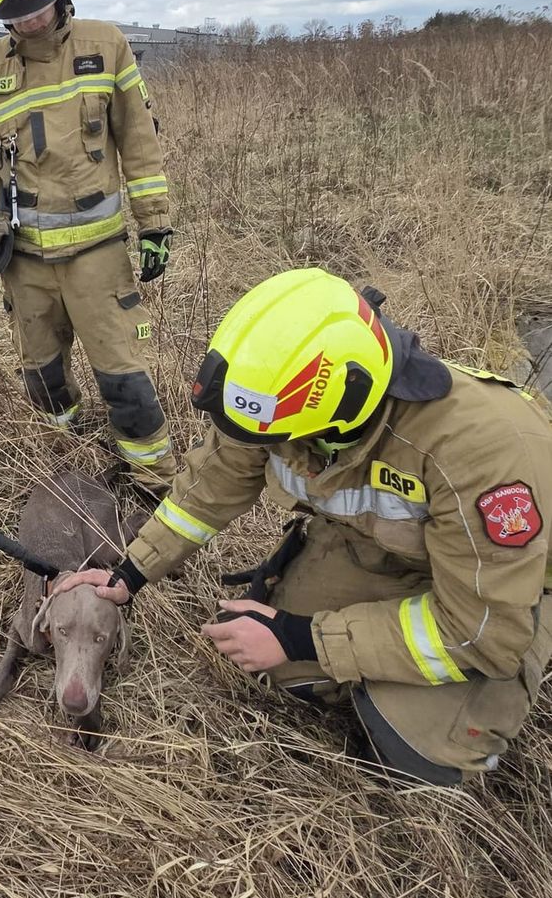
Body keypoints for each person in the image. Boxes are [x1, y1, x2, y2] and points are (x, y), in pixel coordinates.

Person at [59, 268, 552, 784]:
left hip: (503, 593)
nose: (271, 446)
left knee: (419, 752)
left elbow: (479, 633)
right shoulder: (285, 400)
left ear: (343, 408)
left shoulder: (483, 455)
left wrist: (302, 639)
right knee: (279, 671)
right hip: (387, 554)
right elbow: (213, 483)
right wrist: (129, 574)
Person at [0, 0, 179, 497]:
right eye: (11, 15)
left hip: (98, 256)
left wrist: (155, 223)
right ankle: (74, 461)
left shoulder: (107, 47)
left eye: (34, 7)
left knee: (125, 380)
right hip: (24, 261)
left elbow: (139, 138)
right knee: (43, 380)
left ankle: (154, 487)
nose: (25, 22)